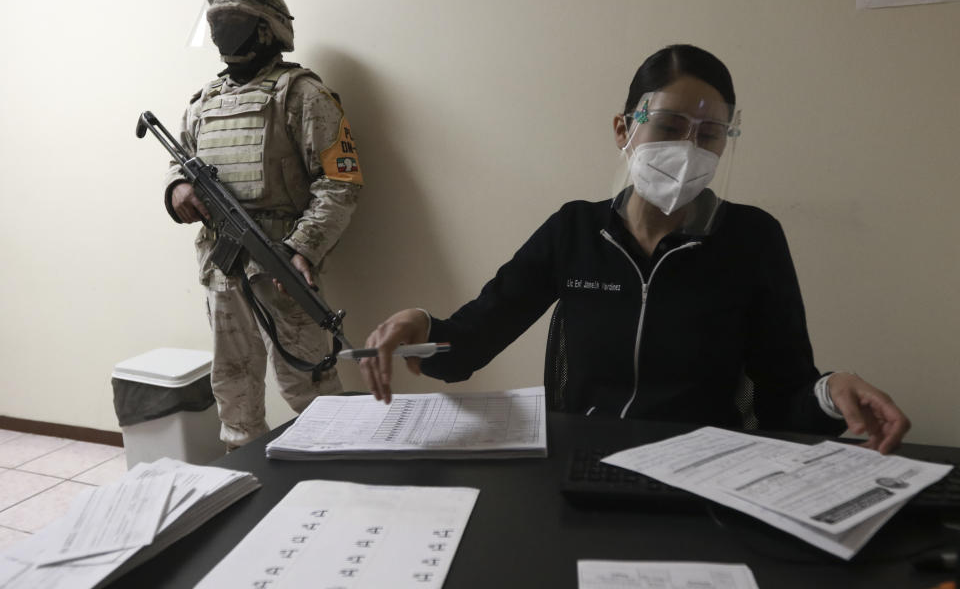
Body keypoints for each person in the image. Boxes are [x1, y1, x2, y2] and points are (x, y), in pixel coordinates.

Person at [358, 44, 910, 454]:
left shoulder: (751, 239)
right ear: (625, 129)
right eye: (669, 126)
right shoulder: (575, 231)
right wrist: (422, 326)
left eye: (710, 133)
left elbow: (783, 396)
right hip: (585, 460)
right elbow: (470, 344)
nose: (689, 147)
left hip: (708, 468)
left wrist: (828, 393)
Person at [163, 0, 363, 450]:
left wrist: (303, 248)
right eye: (217, 24)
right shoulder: (204, 102)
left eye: (233, 24)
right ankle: (242, 476)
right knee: (232, 384)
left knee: (308, 382)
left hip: (280, 263)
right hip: (221, 264)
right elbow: (179, 159)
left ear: (267, 30)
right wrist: (177, 187)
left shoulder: (303, 94)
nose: (221, 35)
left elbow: (342, 181)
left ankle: (339, 469)